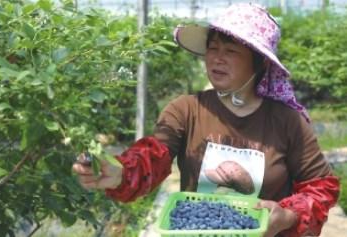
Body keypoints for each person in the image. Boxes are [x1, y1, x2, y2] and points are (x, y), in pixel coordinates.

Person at [72, 3, 340, 237]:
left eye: (231, 51)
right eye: (212, 48)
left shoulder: (286, 121)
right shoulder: (187, 110)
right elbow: (154, 156)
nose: (217, 58)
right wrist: (122, 172)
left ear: (259, 63)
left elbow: (321, 187)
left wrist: (288, 216)